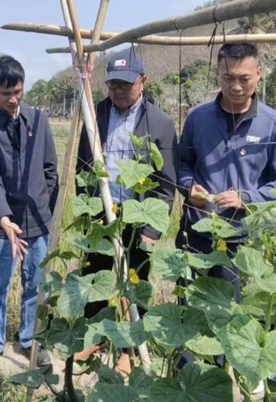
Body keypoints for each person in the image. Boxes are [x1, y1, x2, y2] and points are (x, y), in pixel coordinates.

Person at [75, 48, 178, 373]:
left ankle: (128, 349)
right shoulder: (95, 115)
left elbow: (165, 181)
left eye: (125, 84)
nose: (118, 90)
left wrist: (151, 231)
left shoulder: (159, 123)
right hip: (102, 215)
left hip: (137, 220)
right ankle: (96, 337)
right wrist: (88, 209)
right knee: (96, 277)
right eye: (113, 84)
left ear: (143, 81)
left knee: (134, 283)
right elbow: (83, 166)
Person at [177, 43, 276, 300]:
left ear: (259, 73)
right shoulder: (197, 118)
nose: (236, 86)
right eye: (228, 78)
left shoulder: (272, 123)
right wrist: (188, 188)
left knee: (231, 319)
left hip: (242, 242)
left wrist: (246, 198)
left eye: (245, 78)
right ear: (218, 73)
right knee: (189, 314)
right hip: (196, 234)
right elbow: (183, 165)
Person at [0, 55, 59, 374]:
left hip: (37, 220)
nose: (13, 99)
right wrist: (4, 218)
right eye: (5, 93)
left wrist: (44, 209)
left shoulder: (38, 120)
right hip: (0, 224)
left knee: (35, 284)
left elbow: (50, 170)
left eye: (18, 91)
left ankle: (31, 340)